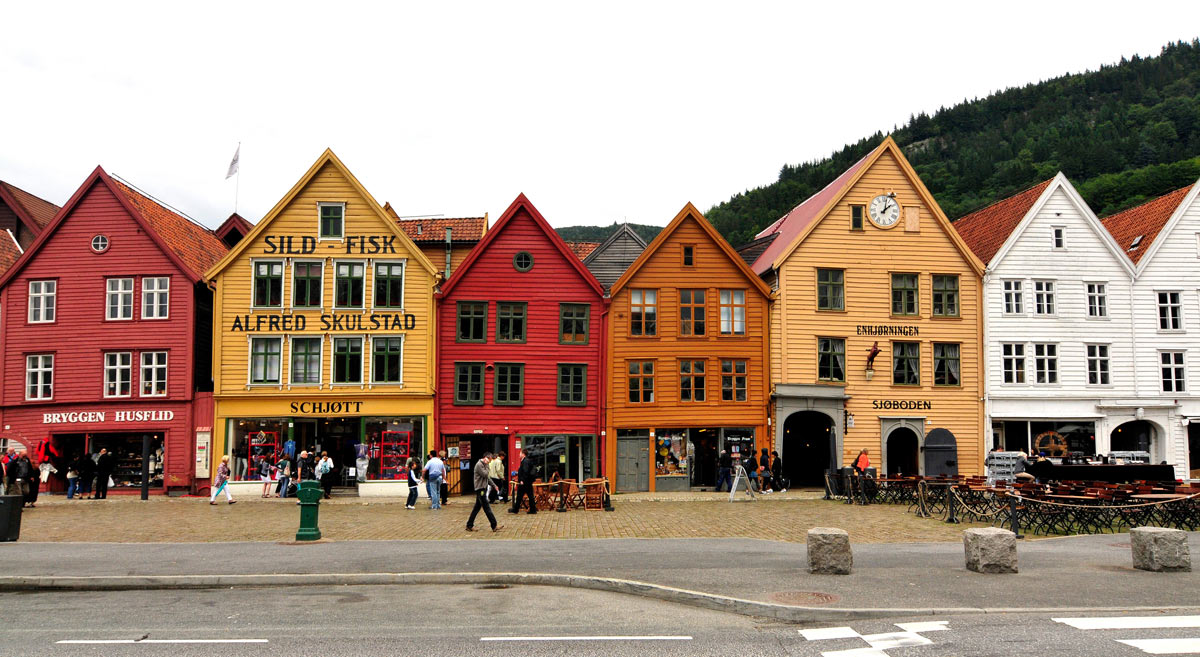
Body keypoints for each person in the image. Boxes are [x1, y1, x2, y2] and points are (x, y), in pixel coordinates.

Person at [466, 452, 503, 533]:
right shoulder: (479, 465)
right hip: (480, 489)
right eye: (489, 460)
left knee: (476, 508)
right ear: (486, 458)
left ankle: (469, 525)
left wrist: (494, 485)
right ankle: (494, 525)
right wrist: (487, 466)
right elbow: (485, 474)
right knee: (487, 507)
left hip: (483, 488)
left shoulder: (484, 465)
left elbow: (488, 478)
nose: (489, 462)